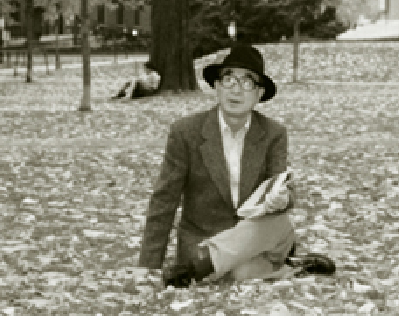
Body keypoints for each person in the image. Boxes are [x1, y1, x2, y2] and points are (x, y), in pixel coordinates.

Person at [138, 44, 335, 287]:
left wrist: (282, 199)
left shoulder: (273, 134)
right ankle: (289, 269)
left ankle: (204, 264)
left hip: (258, 238)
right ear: (217, 87)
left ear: (259, 94)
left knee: (280, 222)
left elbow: (281, 186)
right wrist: (148, 265)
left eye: (247, 82)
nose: (236, 89)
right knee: (241, 273)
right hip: (205, 241)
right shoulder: (186, 132)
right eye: (228, 79)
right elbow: (164, 198)